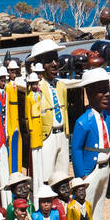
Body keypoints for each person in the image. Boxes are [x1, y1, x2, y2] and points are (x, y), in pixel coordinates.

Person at [70, 68, 110, 220]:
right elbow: (76, 148)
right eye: (100, 91)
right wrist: (81, 176)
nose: (106, 95)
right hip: (90, 171)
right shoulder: (84, 121)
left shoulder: (109, 118)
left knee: (98, 209)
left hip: (104, 169)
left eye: (107, 90)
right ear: (89, 94)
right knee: (84, 212)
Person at [29, 39, 71, 200]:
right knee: (46, 175)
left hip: (62, 134)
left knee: (62, 174)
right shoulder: (36, 87)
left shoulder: (61, 86)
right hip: (47, 135)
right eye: (49, 61)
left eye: (56, 59)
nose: (55, 64)